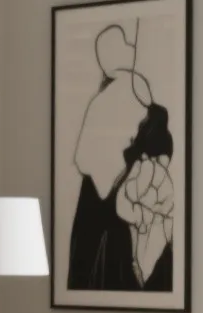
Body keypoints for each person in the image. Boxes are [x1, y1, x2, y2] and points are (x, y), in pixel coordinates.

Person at [68, 21, 176, 292]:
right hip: (112, 196)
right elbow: (86, 157)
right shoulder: (133, 94)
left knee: (99, 263)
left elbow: (83, 158)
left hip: (107, 196)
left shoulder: (113, 96)